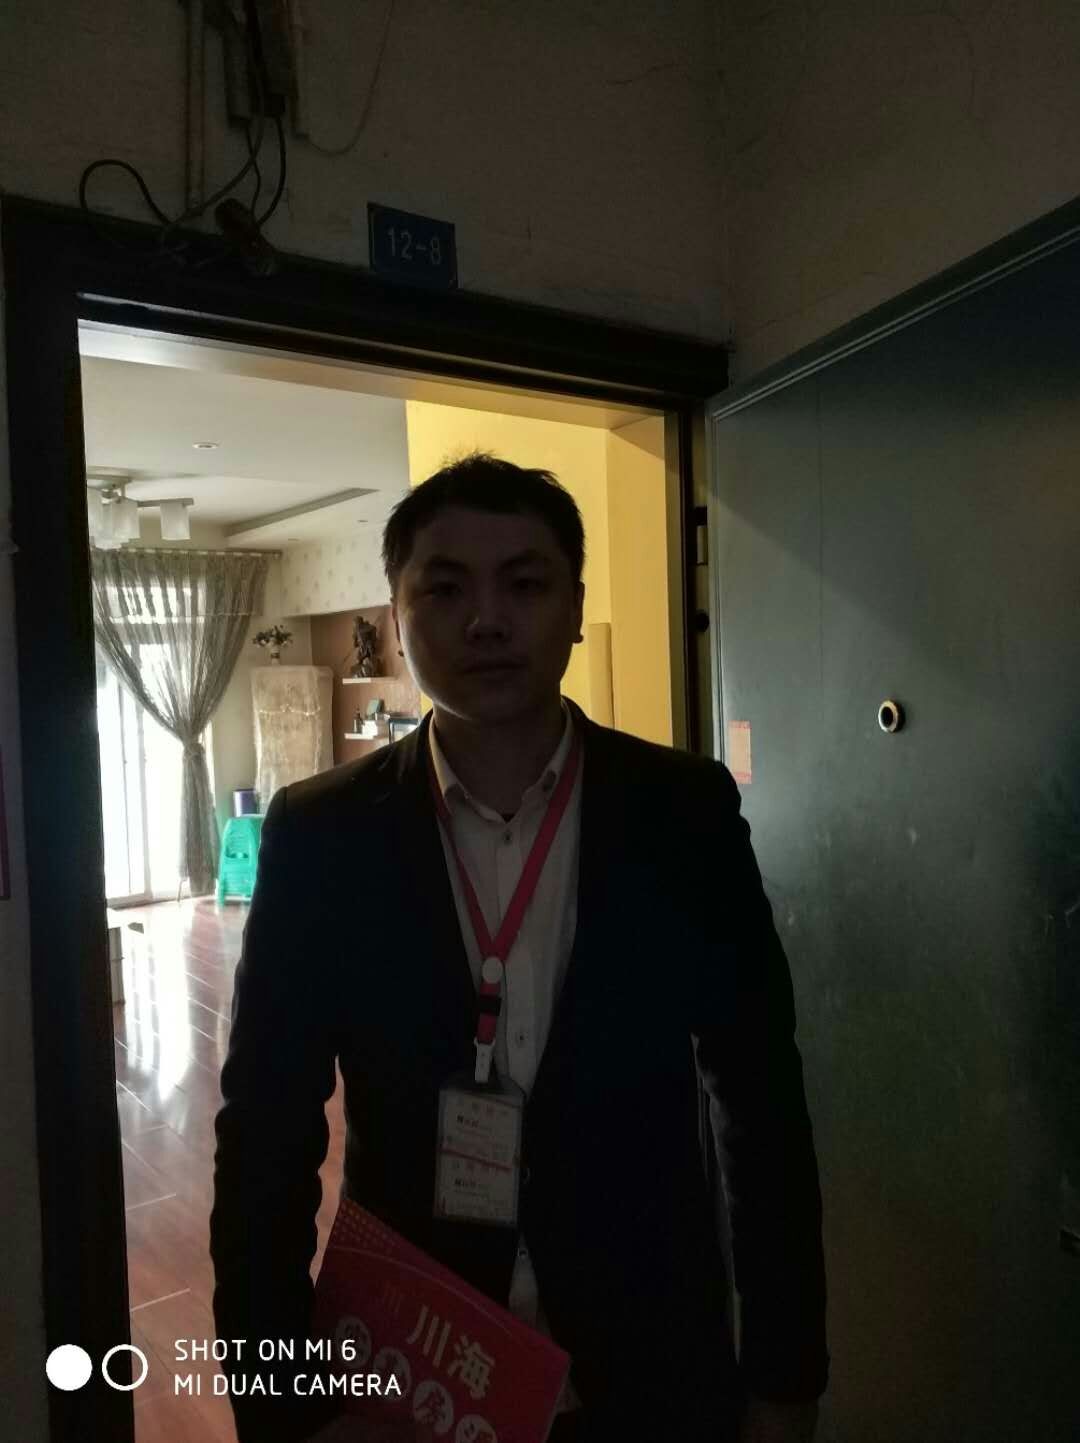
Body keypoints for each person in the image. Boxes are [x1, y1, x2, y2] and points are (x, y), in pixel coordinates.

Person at [210, 452, 828, 1443]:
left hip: (652, 1367)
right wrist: (279, 1410)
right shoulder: (322, 834)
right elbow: (265, 1137)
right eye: (445, 589)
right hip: (406, 1374)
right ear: (398, 616)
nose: (487, 620)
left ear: (576, 608)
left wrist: (786, 1380)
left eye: (526, 584)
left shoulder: (683, 812)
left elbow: (761, 1102)